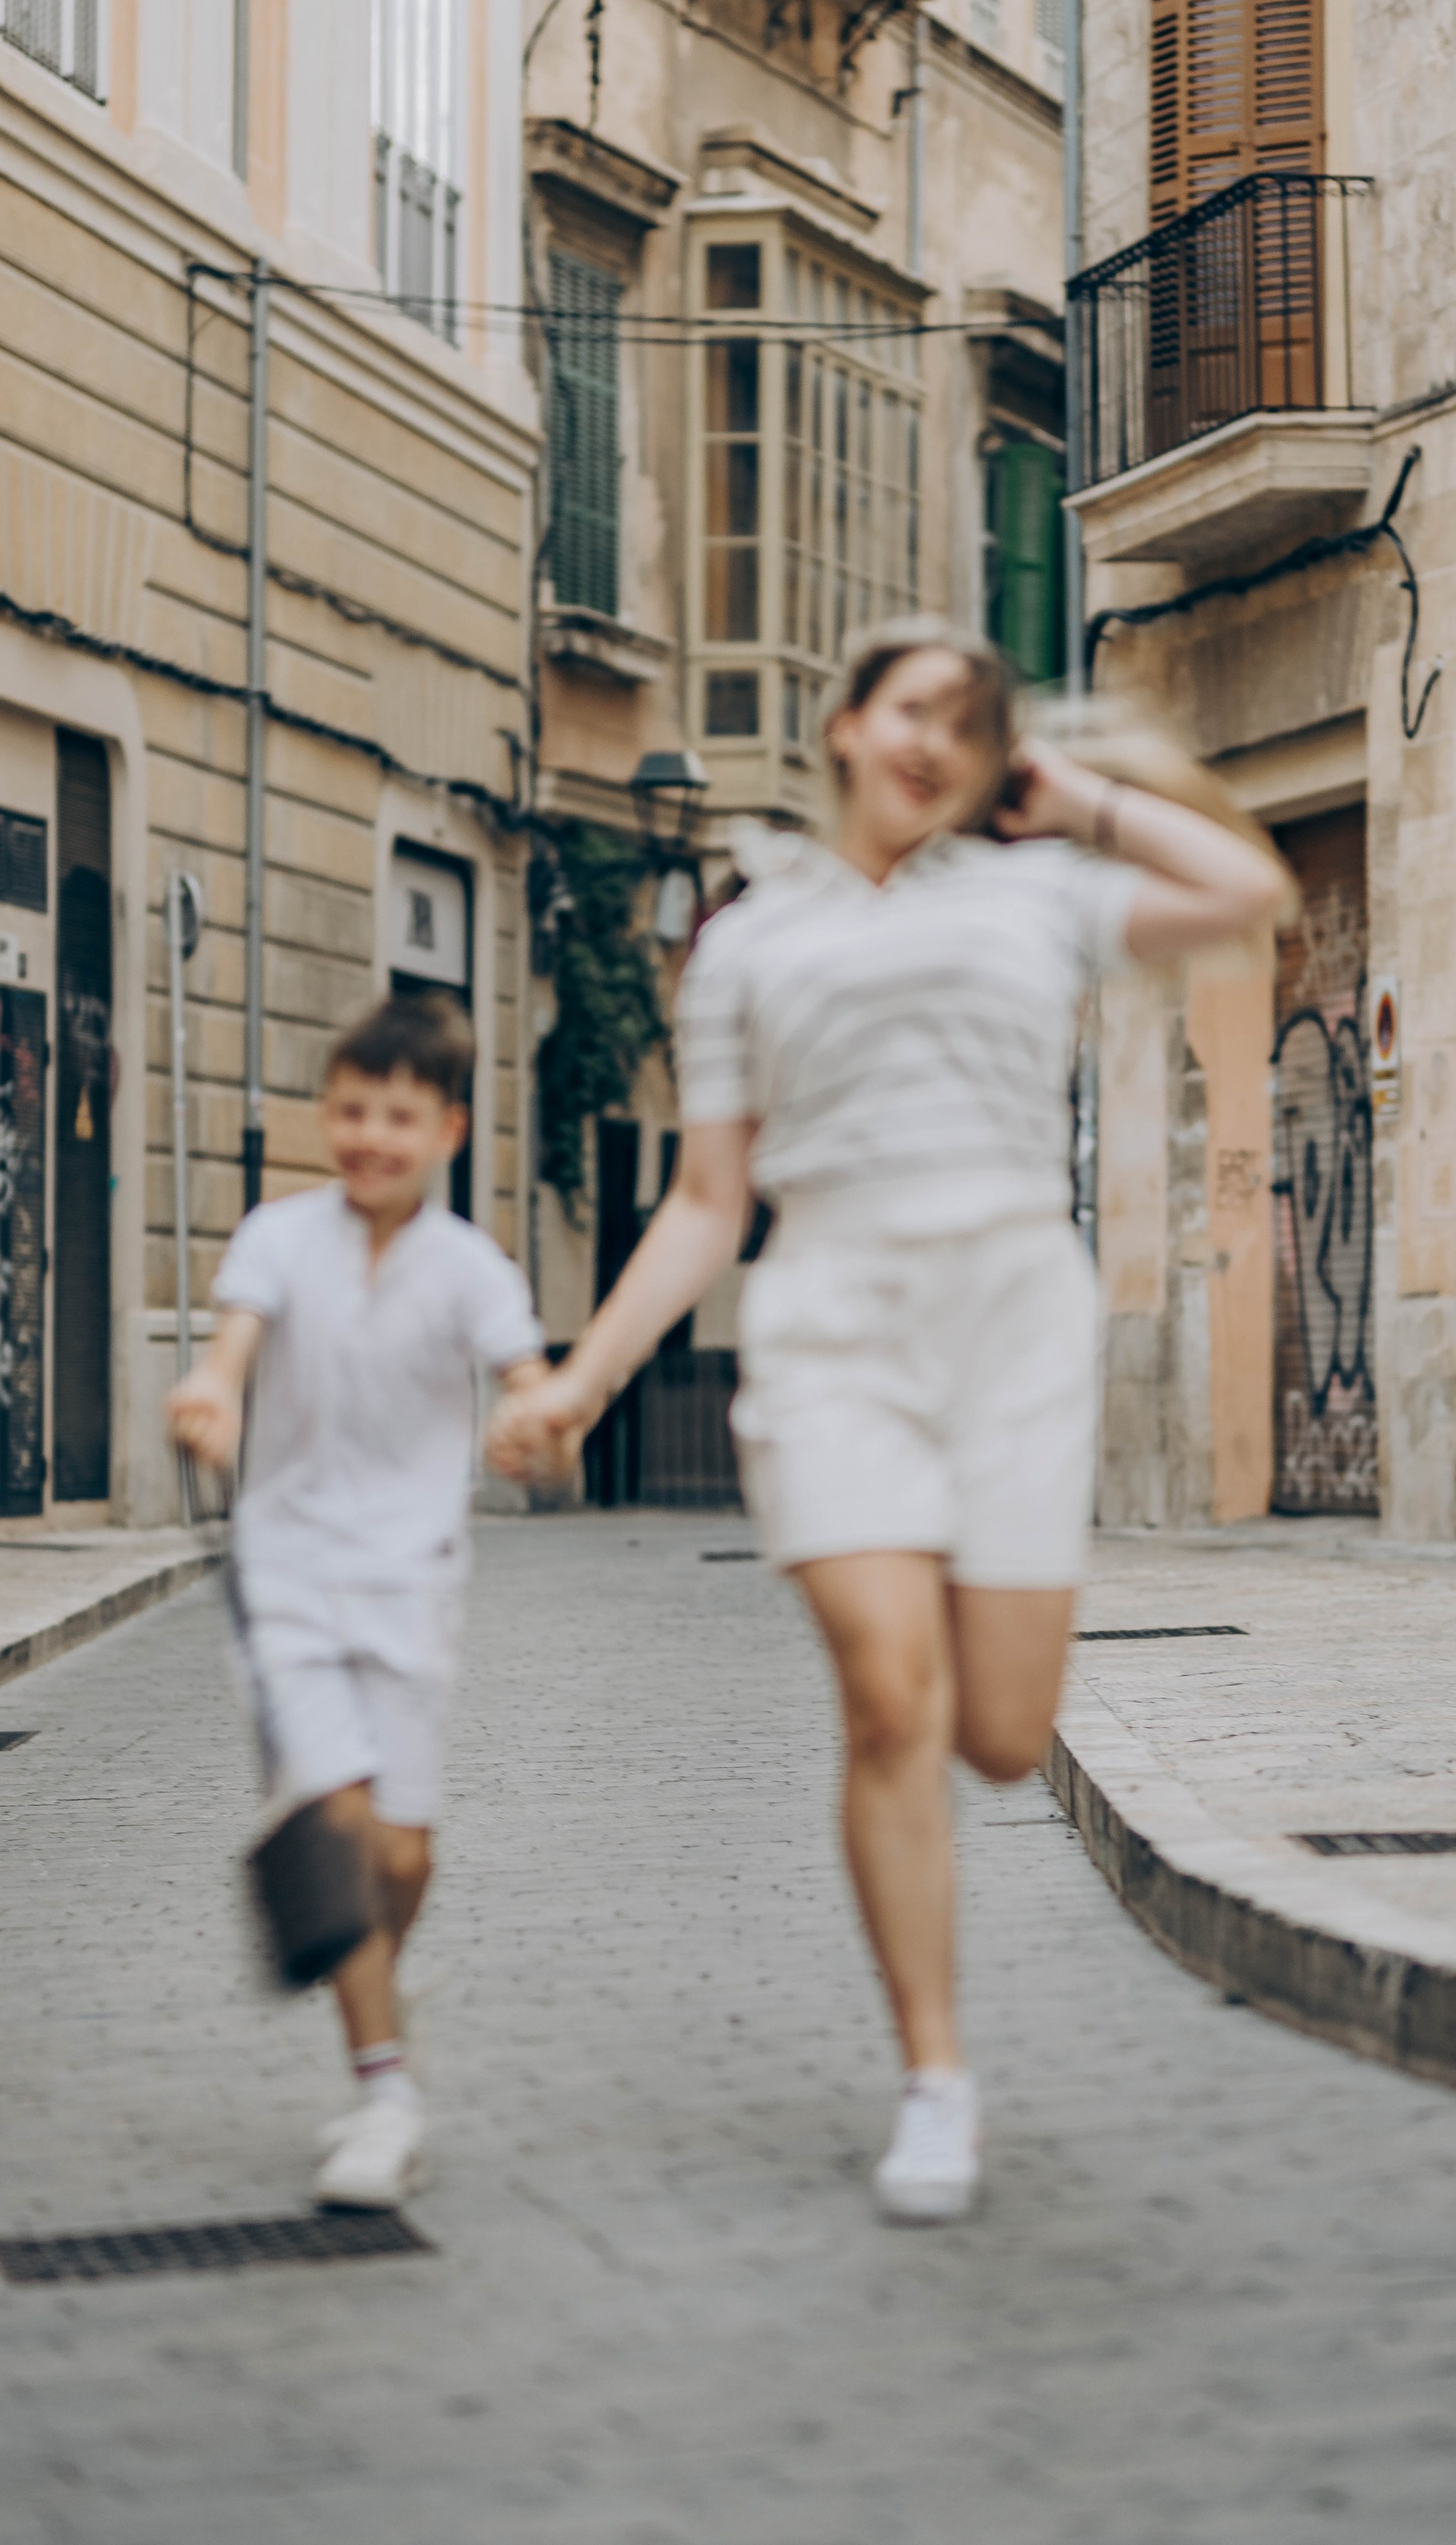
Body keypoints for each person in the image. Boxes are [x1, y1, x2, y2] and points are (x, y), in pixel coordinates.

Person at [487, 617, 1288, 2226]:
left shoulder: (1039, 894)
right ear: (844, 723)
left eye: (970, 728)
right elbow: (711, 1203)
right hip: (833, 1323)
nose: (937, 743)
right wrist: (583, 1377)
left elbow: (1249, 897)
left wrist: (1072, 796)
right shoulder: (747, 941)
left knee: (996, 1739)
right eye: (913, 710)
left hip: (1009, 1328)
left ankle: (942, 1969)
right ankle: (934, 2078)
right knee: (882, 1701)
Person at [169, 991, 548, 2210]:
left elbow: (524, 1378)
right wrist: (215, 1396)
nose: (368, 1137)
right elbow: (235, 1341)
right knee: (337, 1829)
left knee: (403, 1852)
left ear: (446, 1126)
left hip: (411, 1585)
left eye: (396, 1116)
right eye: (348, 1112)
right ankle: (384, 2093)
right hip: (283, 1577)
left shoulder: (470, 1267)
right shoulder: (279, 1235)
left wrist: (535, 1424)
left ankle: (375, 1962)